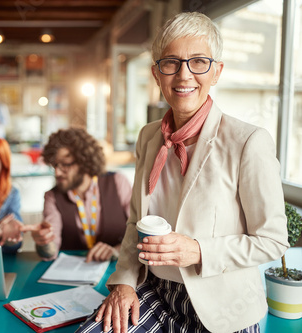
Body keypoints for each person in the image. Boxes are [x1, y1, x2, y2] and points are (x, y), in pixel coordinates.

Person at [77, 12, 289, 333]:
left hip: (222, 304)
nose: (184, 74)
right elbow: (137, 221)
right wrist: (123, 282)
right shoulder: (148, 137)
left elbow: (272, 242)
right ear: (156, 74)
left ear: (216, 72)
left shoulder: (249, 141)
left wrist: (198, 250)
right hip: (156, 292)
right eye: (171, 63)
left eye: (198, 62)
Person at [29, 127, 132, 262]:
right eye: (54, 166)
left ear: (84, 161)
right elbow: (50, 251)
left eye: (65, 165)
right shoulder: (52, 197)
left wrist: (118, 250)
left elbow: (139, 230)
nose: (57, 173)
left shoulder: (118, 182)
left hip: (118, 269)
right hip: (72, 274)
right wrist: (44, 242)